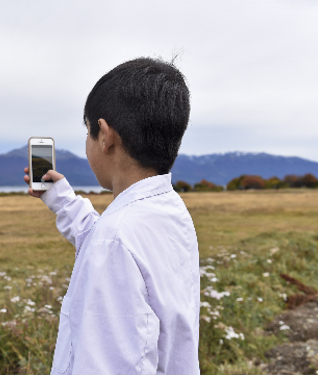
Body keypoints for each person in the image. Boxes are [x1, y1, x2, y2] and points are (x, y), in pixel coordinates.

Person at [23, 57, 200, 374]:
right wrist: (62, 200)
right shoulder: (166, 210)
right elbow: (108, 240)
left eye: (88, 132)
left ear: (104, 135)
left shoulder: (116, 240)